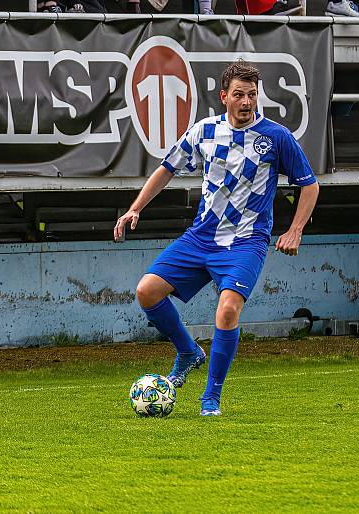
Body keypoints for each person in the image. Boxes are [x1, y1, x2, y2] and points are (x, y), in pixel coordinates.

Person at [114, 60, 320, 416]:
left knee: (226, 310)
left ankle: (211, 398)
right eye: (239, 94)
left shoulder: (276, 137)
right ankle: (188, 351)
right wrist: (135, 208)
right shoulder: (204, 131)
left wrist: (295, 228)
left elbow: (310, 185)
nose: (246, 102)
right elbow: (167, 168)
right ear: (224, 96)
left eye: (252, 95)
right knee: (146, 290)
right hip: (201, 238)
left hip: (246, 242)